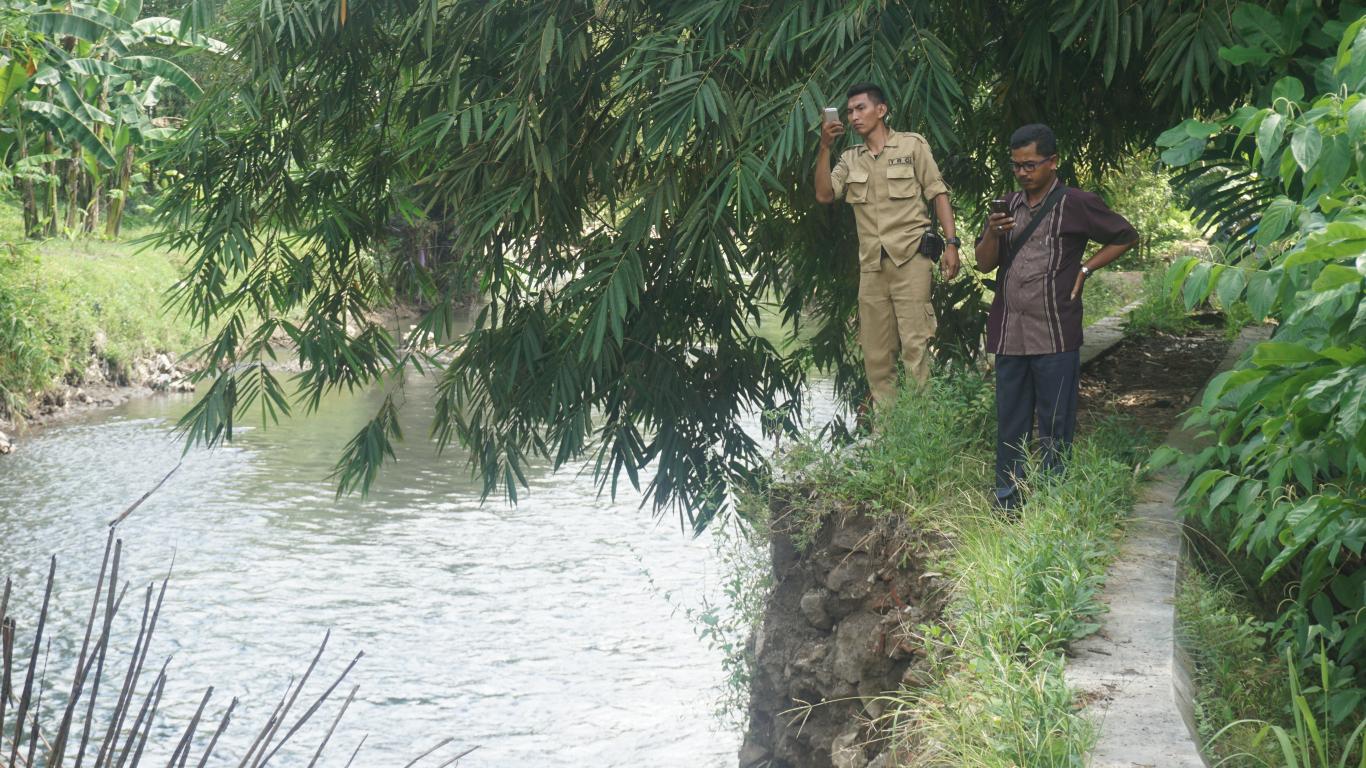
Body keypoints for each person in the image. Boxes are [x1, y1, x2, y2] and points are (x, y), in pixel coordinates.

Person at [975, 123, 1138, 510]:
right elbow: (983, 264)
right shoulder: (1005, 205)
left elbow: (1126, 235)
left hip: (1054, 331)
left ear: (1053, 162)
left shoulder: (1076, 202)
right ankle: (1007, 502)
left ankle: (1051, 501)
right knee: (1010, 423)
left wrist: (1085, 270)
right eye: (1016, 166)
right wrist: (994, 234)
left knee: (1055, 424)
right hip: (1010, 333)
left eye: (1030, 165)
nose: (1022, 173)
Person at [814, 82, 961, 408]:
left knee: (915, 346)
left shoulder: (911, 147)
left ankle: (921, 430)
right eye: (849, 111)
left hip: (910, 260)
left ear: (882, 110)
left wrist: (952, 243)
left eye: (860, 108)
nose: (853, 116)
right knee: (876, 353)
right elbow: (825, 194)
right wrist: (824, 147)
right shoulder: (850, 159)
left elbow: (938, 192)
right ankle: (888, 431)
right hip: (872, 266)